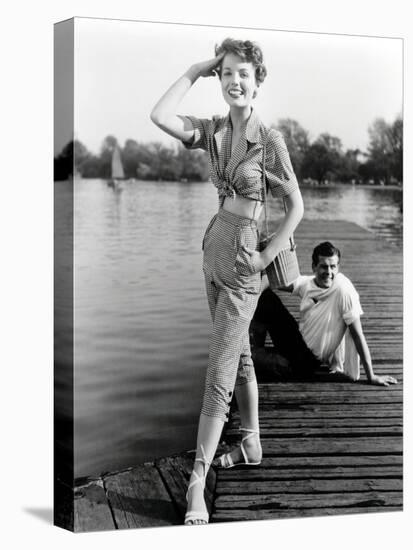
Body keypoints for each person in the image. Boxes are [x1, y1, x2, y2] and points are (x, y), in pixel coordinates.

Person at [150, 38, 304, 525]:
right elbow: (159, 116)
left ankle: (197, 480)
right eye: (226, 73)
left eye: (243, 73)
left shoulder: (270, 140)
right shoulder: (214, 130)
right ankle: (252, 443)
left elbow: (296, 206)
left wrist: (265, 258)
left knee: (217, 374)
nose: (234, 81)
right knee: (237, 357)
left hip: (242, 266)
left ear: (258, 80)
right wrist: (195, 69)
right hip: (211, 252)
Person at [252, 241, 398, 386]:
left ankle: (257, 353)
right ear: (314, 267)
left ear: (338, 267)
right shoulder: (307, 284)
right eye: (324, 266)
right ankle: (256, 345)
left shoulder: (343, 291)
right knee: (265, 296)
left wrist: (371, 376)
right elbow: (273, 280)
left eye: (333, 266)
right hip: (295, 343)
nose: (329, 272)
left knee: (250, 361)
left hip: (307, 360)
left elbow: (358, 335)